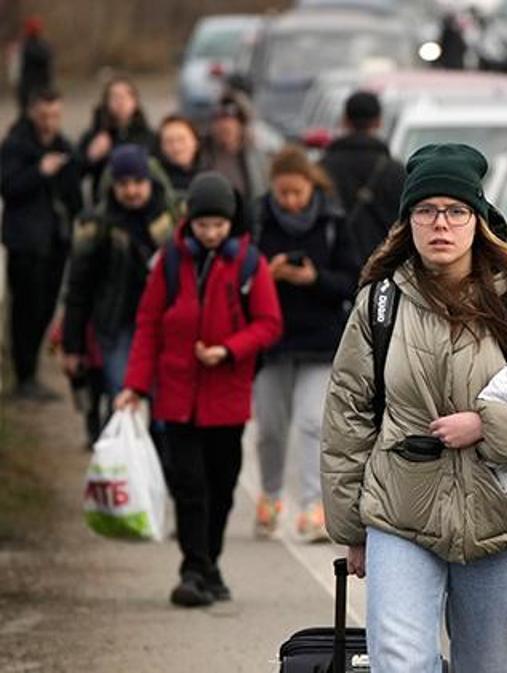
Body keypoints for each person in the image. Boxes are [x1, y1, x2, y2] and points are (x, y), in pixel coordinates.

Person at [322, 143, 507, 673]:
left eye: (455, 211)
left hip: (500, 516)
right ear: (407, 223)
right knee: (399, 661)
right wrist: (351, 528)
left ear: (480, 219)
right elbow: (348, 415)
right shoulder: (381, 303)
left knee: (487, 664)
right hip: (400, 512)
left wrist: (486, 427)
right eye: (425, 211)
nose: (440, 224)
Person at [117, 172, 282, 608]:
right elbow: (148, 324)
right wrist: (134, 385)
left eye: (218, 225)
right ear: (189, 222)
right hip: (177, 396)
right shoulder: (170, 262)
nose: (210, 233)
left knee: (221, 486)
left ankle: (210, 564)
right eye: (202, 225)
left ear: (231, 222)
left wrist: (227, 350)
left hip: (226, 398)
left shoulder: (250, 265)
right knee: (189, 486)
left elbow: (268, 324)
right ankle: (193, 568)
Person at [253, 147, 358, 543]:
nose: (290, 201)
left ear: (311, 185)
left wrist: (313, 279)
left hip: (320, 340)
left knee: (314, 423)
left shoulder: (333, 221)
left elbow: (351, 280)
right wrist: (268, 274)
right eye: (283, 193)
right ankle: (270, 496)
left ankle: (314, 506)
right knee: (270, 428)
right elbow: (242, 275)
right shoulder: (259, 219)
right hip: (272, 341)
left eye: (296, 192)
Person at [62, 144, 179, 399]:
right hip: (116, 324)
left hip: (164, 325)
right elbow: (79, 286)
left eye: (138, 182)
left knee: (163, 403)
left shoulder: (169, 223)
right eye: (123, 184)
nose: (131, 191)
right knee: (124, 395)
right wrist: (73, 345)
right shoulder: (96, 226)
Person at [1, 86, 82, 400]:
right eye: (45, 115)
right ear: (33, 113)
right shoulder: (15, 145)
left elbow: (74, 194)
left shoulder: (63, 147)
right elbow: (8, 187)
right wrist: (39, 172)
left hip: (55, 241)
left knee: (46, 307)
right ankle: (24, 376)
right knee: (26, 309)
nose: (50, 122)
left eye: (55, 116)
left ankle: (30, 373)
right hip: (25, 241)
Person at [319, 90, 406, 264]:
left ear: (344, 120)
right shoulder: (396, 170)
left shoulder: (322, 168)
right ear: (379, 122)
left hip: (334, 269)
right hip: (383, 266)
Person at [78, 75, 156, 204]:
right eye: (115, 97)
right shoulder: (94, 136)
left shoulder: (149, 136)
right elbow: (77, 173)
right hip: (105, 206)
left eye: (125, 97)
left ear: (135, 101)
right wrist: (90, 157)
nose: (121, 102)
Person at [198, 92, 268, 208]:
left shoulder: (256, 156)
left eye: (230, 122)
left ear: (241, 125)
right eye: (219, 122)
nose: (224, 127)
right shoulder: (202, 153)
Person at [156, 114, 202, 193]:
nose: (176, 147)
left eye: (182, 140)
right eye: (169, 142)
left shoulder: (210, 176)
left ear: (195, 142)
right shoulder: (157, 181)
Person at [16, 16, 53, 110]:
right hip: (31, 87)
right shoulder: (28, 46)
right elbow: (46, 56)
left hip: (37, 86)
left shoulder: (29, 45)